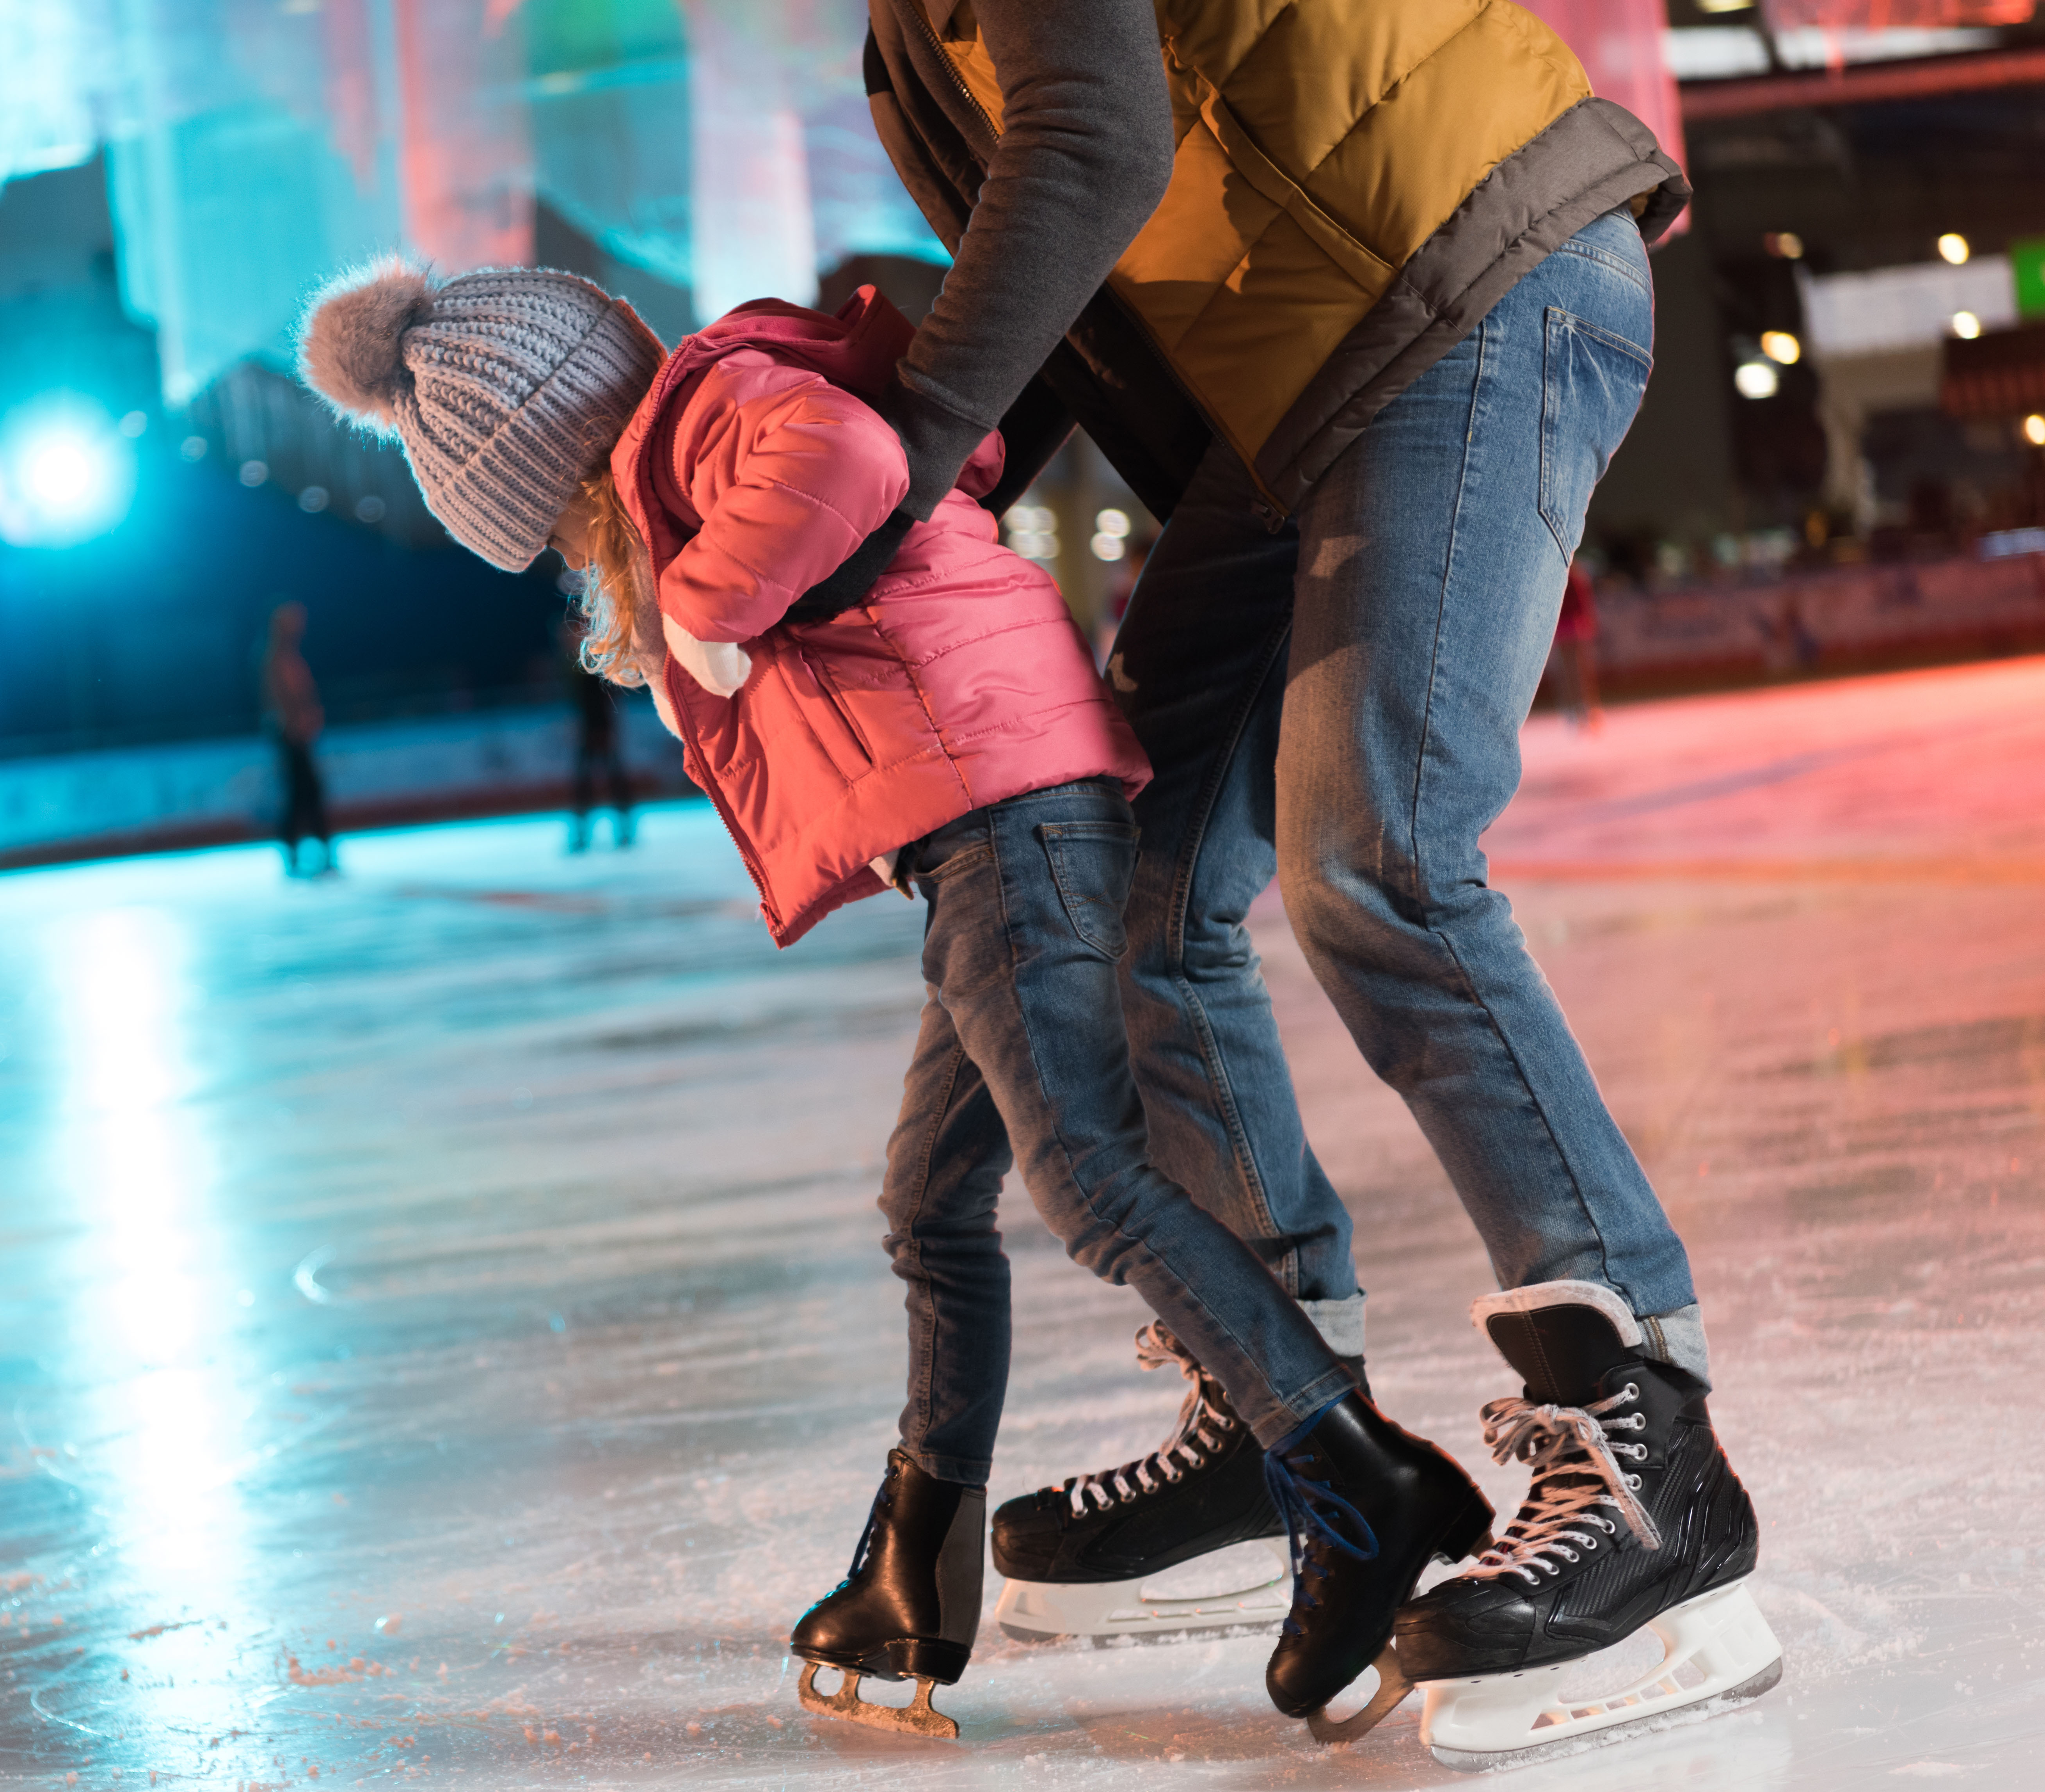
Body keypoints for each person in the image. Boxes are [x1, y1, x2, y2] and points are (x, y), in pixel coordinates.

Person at [294, 262, 1486, 1740]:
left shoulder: (707, 411)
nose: (566, 554)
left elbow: (853, 458)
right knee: (929, 1199)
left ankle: (1346, 1465)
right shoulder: (692, 445)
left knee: (1091, 1181)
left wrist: (705, 598)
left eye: (544, 525)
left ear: (546, 454)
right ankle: (919, 1565)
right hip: (985, 824)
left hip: (1010, 814)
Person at [843, 0, 1777, 1764]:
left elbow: (1098, 141)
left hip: (1466, 271)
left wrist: (900, 447)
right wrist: (904, 455)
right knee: (1129, 874)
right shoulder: (901, 34)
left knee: (1378, 859)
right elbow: (1076, 259)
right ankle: (1286, 1415)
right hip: (1304, 392)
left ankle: (1649, 1446)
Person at [260, 602, 334, 876]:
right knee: (303, 794)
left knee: (306, 794)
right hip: (291, 736)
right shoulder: (275, 658)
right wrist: (297, 726)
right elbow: (280, 700)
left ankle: (314, 851)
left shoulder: (288, 657)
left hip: (298, 734)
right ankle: (302, 852)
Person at [560, 613, 636, 851]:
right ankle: (585, 834)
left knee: (610, 780)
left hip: (600, 726)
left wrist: (606, 727)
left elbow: (606, 696)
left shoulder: (595, 659)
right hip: (589, 728)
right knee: (588, 783)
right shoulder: (575, 663)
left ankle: (623, 831)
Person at [1550, 556, 1604, 730]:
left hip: (1568, 628)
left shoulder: (1563, 579)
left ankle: (1578, 708)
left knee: (1571, 673)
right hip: (1573, 627)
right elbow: (1583, 604)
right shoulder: (1576, 578)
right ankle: (1583, 707)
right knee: (1578, 672)